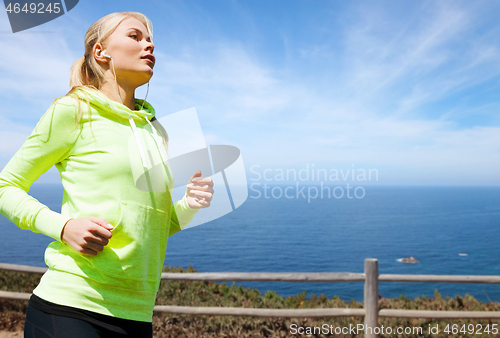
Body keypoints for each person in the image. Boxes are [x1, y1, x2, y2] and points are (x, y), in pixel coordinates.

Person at [0, 11, 214, 337]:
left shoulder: (157, 132)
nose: (149, 45)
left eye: (151, 39)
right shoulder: (74, 110)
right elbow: (6, 186)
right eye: (135, 36)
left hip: (138, 315)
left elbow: (152, 227)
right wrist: (64, 227)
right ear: (101, 52)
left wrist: (189, 204)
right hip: (70, 306)